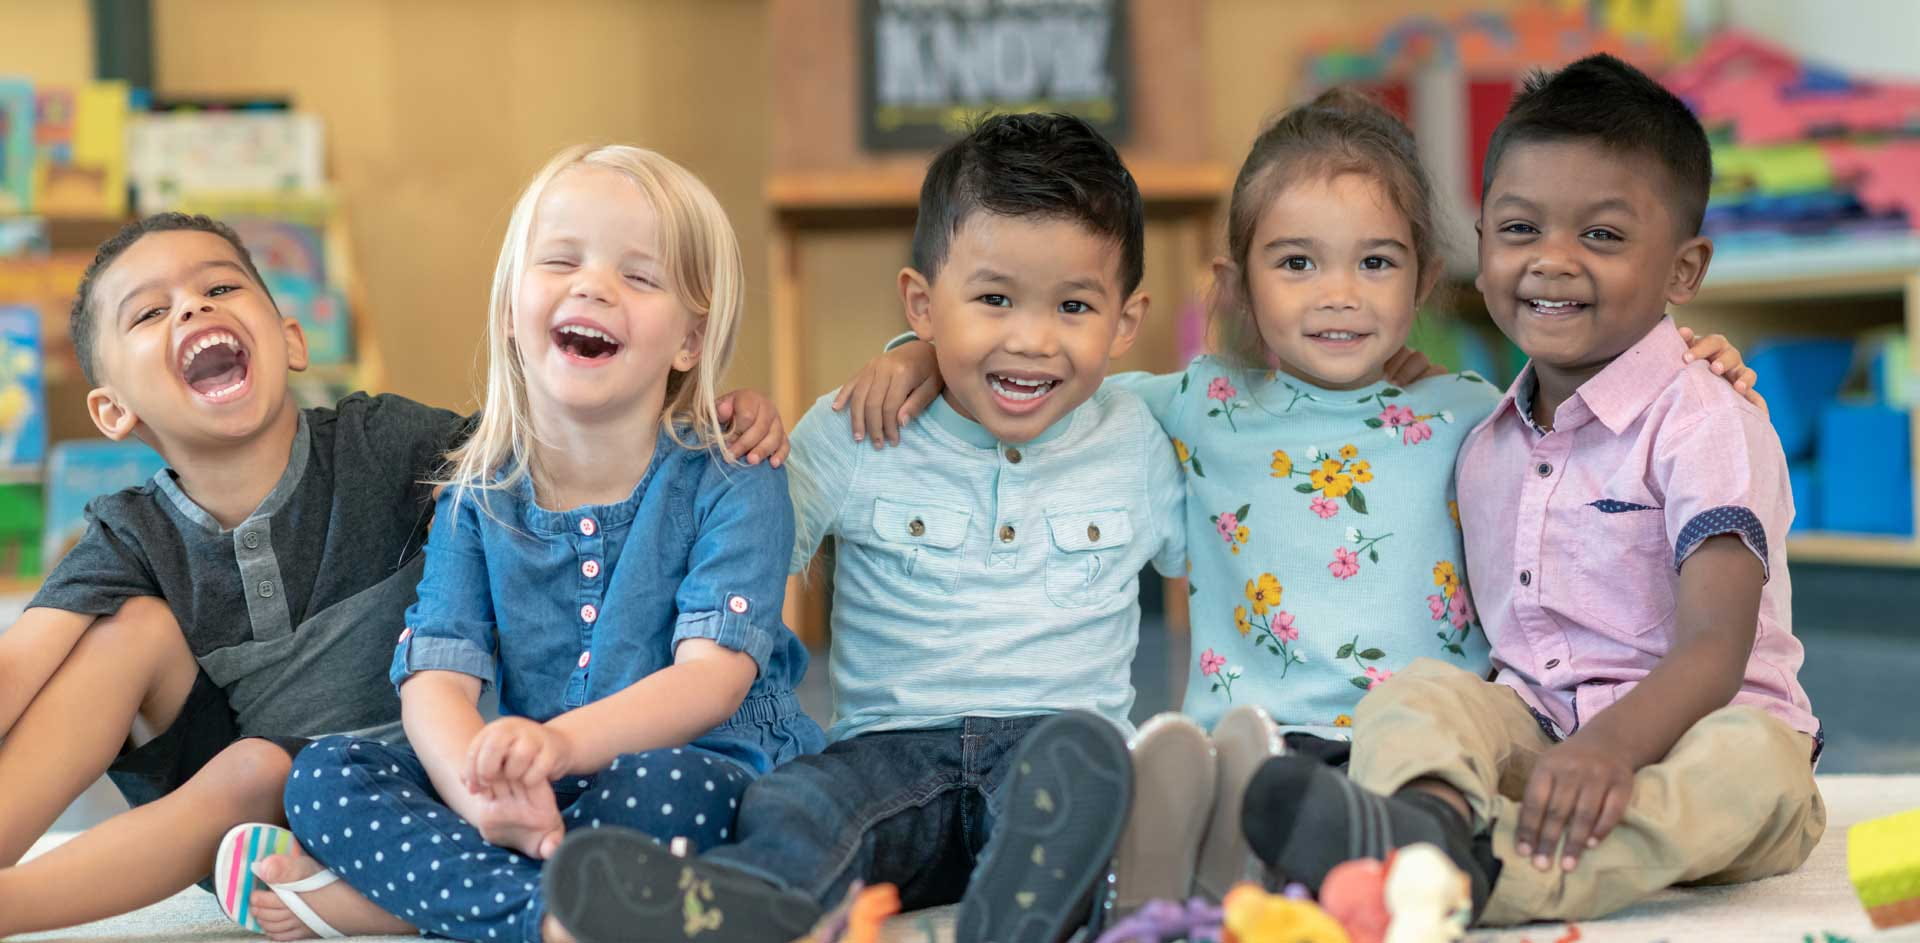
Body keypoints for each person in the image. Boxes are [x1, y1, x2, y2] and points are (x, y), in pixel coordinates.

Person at [538, 113, 1183, 943]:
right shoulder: (856, 426)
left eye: (1074, 305)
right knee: (793, 800)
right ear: (923, 303)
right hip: (889, 754)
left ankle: (1019, 913)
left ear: (1125, 322)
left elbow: (1252, 461)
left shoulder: (1140, 436)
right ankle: (730, 906)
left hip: (1055, 751)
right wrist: (738, 435)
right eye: (993, 299)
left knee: (1096, 794)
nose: (1031, 339)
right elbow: (733, 539)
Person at [1238, 54, 1823, 927]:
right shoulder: (1484, 438)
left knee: (1749, 767)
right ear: (1480, 249)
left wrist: (1611, 747)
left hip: (1706, 736)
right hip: (1541, 732)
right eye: (1519, 229)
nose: (1551, 261)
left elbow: (1717, 646)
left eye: (1602, 237)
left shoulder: (1704, 418)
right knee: (1419, 694)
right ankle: (1426, 821)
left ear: (1683, 271)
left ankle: (1477, 873)